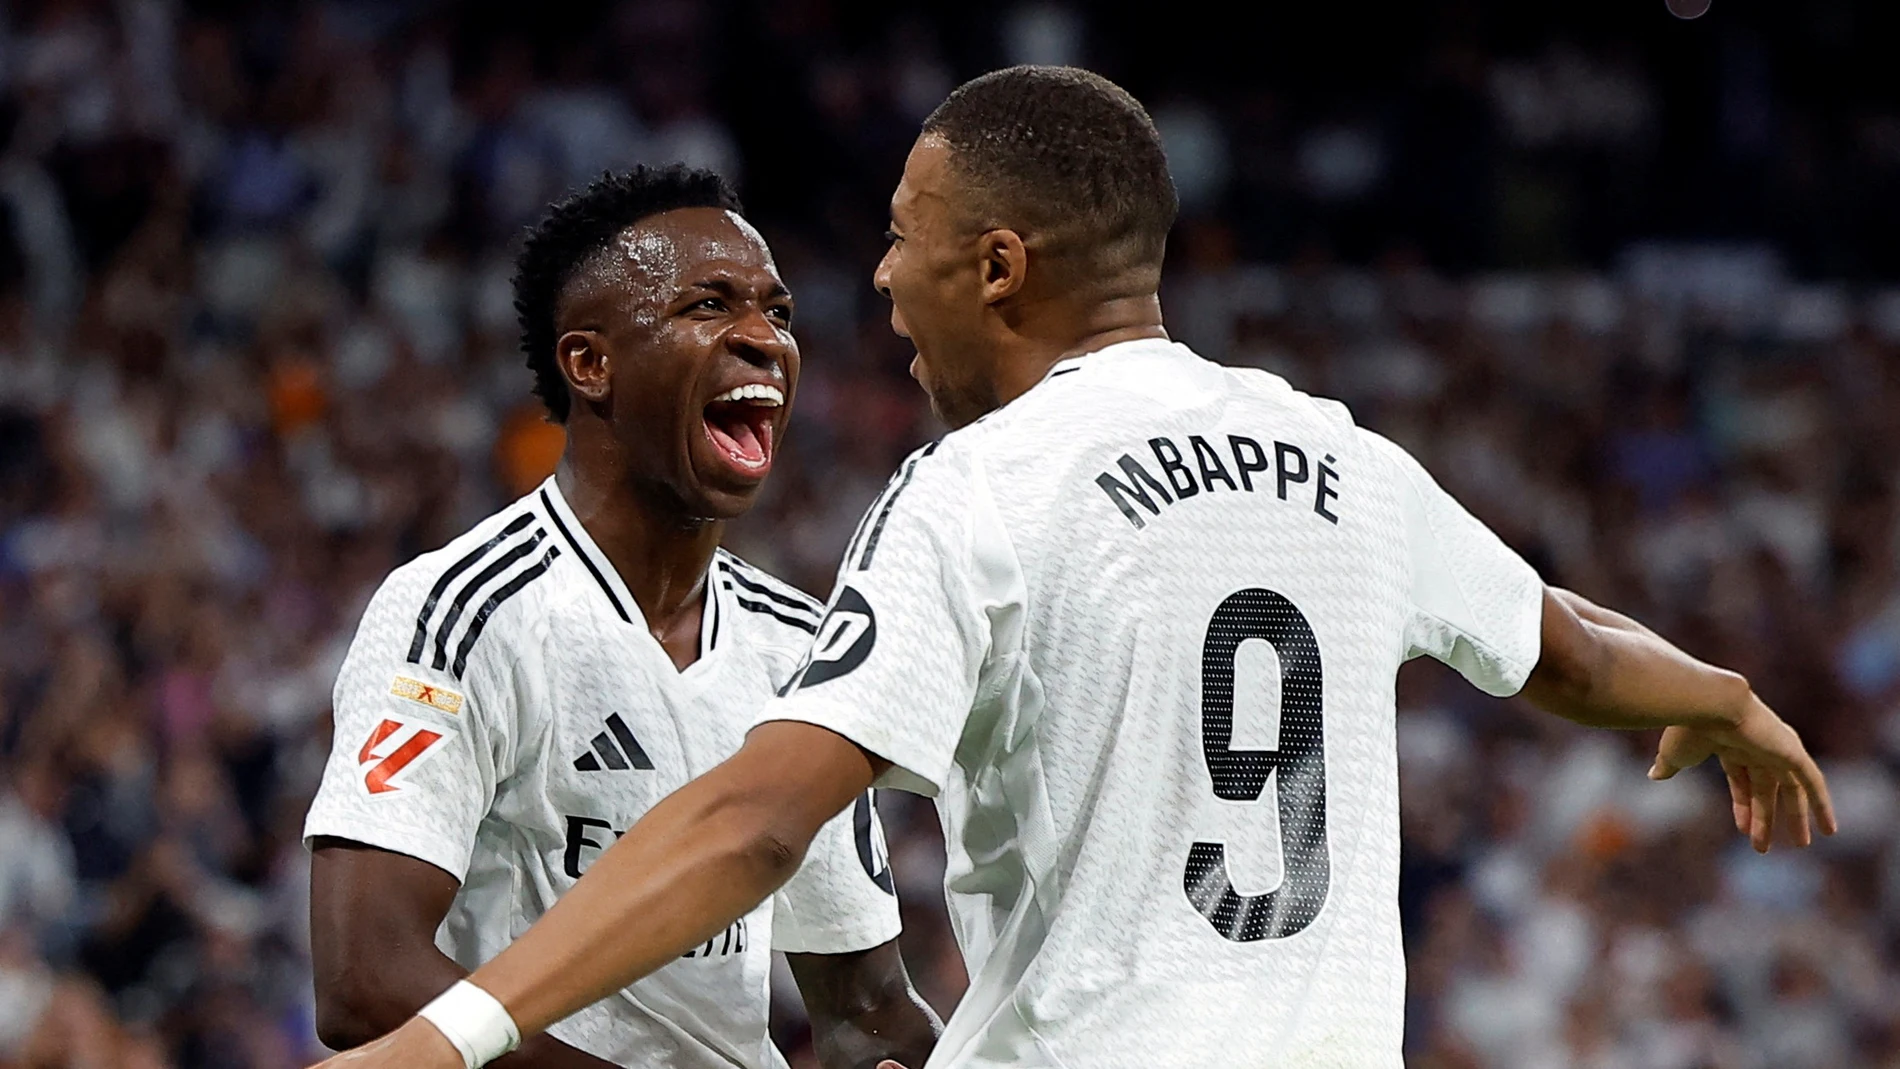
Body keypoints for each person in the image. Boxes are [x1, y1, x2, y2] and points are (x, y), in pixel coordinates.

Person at [311, 68, 1835, 1069]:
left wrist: (454, 1035)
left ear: (998, 267)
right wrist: (1726, 695)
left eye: (903, 239)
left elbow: (758, 821)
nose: (875, 282)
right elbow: (1563, 644)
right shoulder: (1343, 457)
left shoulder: (979, 491)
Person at [300, 166, 940, 1069]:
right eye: (710, 306)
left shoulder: (801, 647)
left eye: (779, 312)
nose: (763, 338)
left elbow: (864, 1012)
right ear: (589, 363)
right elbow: (364, 975)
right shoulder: (461, 611)